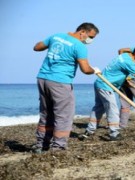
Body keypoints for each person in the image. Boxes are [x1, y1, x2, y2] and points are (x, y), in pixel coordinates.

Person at [33, 22, 101, 153]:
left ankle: (41, 145)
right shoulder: (79, 46)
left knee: (46, 113)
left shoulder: (56, 36)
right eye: (91, 37)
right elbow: (85, 69)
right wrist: (94, 71)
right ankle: (58, 147)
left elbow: (37, 47)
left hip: (42, 78)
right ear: (82, 32)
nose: (90, 40)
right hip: (60, 81)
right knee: (64, 114)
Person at [79, 43, 135, 141]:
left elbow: (119, 70)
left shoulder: (124, 55)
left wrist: (126, 79)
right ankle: (114, 133)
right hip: (105, 85)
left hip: (99, 83)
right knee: (112, 108)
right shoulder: (129, 63)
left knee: (99, 108)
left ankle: (89, 130)